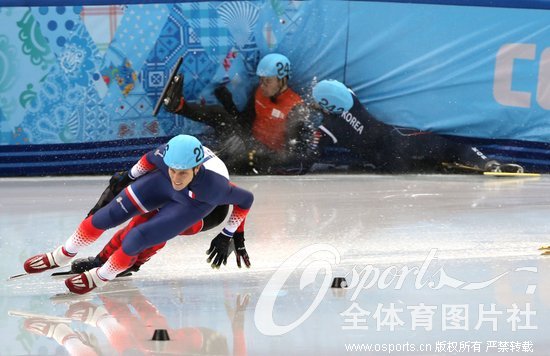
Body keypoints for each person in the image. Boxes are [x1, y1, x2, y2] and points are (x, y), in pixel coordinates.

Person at [23, 134, 254, 294]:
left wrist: (229, 234)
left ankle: (108, 272)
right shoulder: (166, 159)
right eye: (173, 170)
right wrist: (128, 177)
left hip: (204, 207)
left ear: (196, 168)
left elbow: (245, 200)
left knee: (141, 232)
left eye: (182, 173)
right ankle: (64, 255)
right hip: (165, 184)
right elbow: (147, 160)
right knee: (107, 216)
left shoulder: (214, 188)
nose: (176, 177)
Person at [310, 79, 524, 173]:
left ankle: (430, 165)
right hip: (399, 141)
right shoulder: (352, 99)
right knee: (450, 147)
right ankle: (488, 163)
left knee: (428, 159)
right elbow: (339, 91)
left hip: (388, 163)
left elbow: (306, 158)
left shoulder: (328, 128)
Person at [164, 53, 315, 174]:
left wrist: (258, 158)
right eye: (261, 80)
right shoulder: (260, 93)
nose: (262, 86)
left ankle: (190, 168)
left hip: (263, 157)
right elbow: (244, 121)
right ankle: (178, 106)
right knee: (220, 114)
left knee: (228, 160)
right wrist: (228, 103)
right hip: (249, 142)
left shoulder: (296, 107)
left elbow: (295, 157)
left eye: (267, 81)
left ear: (282, 80)